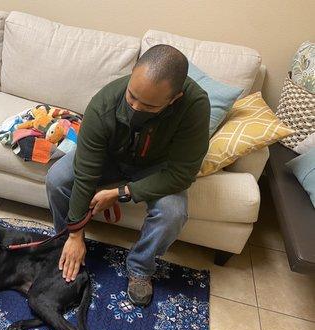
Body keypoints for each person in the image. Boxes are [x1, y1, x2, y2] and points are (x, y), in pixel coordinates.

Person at [46, 44, 211, 307]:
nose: (134, 107)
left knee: (173, 212)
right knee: (57, 178)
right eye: (132, 97)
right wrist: (76, 233)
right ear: (133, 72)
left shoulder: (195, 106)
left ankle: (141, 268)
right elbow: (86, 172)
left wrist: (122, 193)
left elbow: (182, 173)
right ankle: (66, 244)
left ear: (174, 98)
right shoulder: (104, 104)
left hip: (157, 166)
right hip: (109, 158)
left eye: (148, 105)